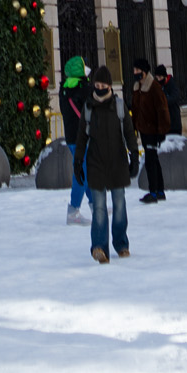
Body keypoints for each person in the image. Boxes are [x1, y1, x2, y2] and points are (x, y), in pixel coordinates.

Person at [73, 64, 139, 262]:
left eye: (103, 84)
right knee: (99, 207)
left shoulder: (119, 106)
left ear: (110, 86)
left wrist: (134, 155)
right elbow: (81, 138)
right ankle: (99, 247)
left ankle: (121, 243)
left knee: (119, 205)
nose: (99, 88)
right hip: (96, 163)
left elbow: (129, 132)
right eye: (97, 84)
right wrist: (77, 161)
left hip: (117, 162)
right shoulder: (88, 107)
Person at [59, 55, 93, 225]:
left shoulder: (64, 89)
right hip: (84, 136)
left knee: (84, 170)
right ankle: (73, 211)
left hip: (71, 136)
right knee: (82, 173)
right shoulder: (84, 88)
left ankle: (95, 205)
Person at [130, 57, 170, 202]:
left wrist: (162, 131)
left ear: (144, 72)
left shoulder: (154, 88)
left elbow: (162, 110)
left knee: (150, 160)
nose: (135, 72)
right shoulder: (137, 88)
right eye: (134, 70)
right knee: (153, 159)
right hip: (143, 129)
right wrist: (133, 127)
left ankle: (153, 192)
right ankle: (159, 191)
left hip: (153, 130)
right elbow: (135, 109)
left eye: (137, 70)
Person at [155, 63, 182, 137]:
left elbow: (174, 97)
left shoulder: (172, 84)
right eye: (157, 77)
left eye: (160, 77)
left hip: (174, 124)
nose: (159, 79)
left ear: (164, 76)